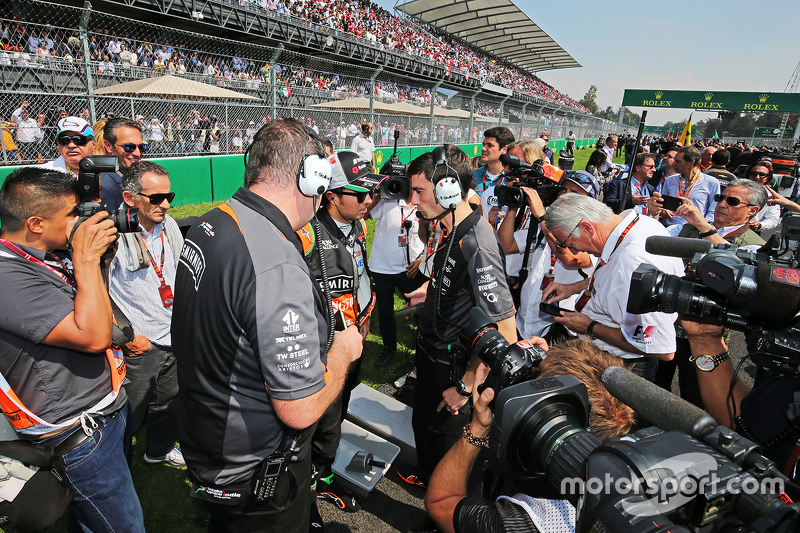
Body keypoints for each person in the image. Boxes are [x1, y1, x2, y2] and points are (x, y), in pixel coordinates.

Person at [172, 118, 362, 533]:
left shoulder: (214, 220)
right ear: (312, 177)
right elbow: (299, 409)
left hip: (210, 438)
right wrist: (344, 352)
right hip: (255, 469)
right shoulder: (274, 262)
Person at [0, 167, 145, 532]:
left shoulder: (43, 253)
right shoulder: (7, 277)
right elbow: (93, 335)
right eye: (72, 215)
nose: (82, 222)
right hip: (78, 435)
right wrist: (84, 259)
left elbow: (94, 302)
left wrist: (96, 259)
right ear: (35, 223)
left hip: (101, 413)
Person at [425, 339, 638, 533]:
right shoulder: (642, 475)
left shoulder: (526, 522)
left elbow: (440, 502)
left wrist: (478, 427)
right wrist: (551, 363)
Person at [403, 146, 517, 489]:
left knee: (449, 456)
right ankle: (427, 483)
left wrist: (465, 386)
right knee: (424, 430)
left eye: (419, 191)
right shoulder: (451, 226)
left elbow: (505, 333)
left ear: (447, 189)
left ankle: (443, 514)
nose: (412, 200)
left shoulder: (478, 242)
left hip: (453, 372)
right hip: (432, 354)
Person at [297, 151, 378, 514]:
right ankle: (314, 484)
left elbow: (356, 278)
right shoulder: (308, 233)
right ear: (331, 195)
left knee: (339, 409)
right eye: (360, 194)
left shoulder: (356, 225)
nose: (368, 201)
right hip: (324, 347)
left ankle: (320, 471)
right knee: (323, 421)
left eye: (371, 193)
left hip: (354, 337)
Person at [542, 194, 684, 381]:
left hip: (623, 367)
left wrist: (589, 326)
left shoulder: (631, 263)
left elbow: (659, 348)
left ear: (587, 227)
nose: (574, 252)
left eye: (570, 244)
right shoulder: (634, 224)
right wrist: (574, 287)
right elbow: (613, 278)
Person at [654, 179, 767, 407]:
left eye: (732, 201)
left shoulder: (756, 246)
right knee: (653, 388)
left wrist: (706, 228)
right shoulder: (686, 227)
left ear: (752, 211)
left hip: (703, 333)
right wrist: (653, 215)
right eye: (720, 198)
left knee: (696, 398)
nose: (722, 204)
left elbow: (739, 269)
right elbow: (653, 244)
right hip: (665, 320)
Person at [108, 161, 184, 466]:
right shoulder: (112, 234)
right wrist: (125, 338)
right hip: (139, 344)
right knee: (131, 412)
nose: (165, 204)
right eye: (156, 198)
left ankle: (159, 450)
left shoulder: (171, 226)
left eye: (169, 196)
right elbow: (94, 292)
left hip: (175, 337)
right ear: (130, 198)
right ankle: (118, 464)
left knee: (169, 404)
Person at [498, 169, 598, 342]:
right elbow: (506, 245)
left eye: (574, 192)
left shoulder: (592, 232)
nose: (565, 195)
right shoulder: (544, 225)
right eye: (563, 190)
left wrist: (542, 216)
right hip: (524, 320)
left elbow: (571, 258)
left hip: (559, 327)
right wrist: (512, 208)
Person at [369, 169, 425, 369]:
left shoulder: (424, 204)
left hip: (410, 269)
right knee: (385, 312)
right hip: (381, 269)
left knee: (420, 311)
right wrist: (377, 193)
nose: (411, 188)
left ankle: (423, 350)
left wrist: (421, 259)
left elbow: (434, 234)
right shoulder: (389, 199)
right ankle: (389, 348)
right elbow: (367, 214)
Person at [648, 145, 719, 233]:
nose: (674, 164)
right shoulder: (670, 180)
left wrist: (702, 227)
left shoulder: (711, 183)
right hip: (668, 228)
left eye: (678, 161)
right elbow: (662, 204)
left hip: (694, 231)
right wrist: (663, 210)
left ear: (691, 163)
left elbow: (713, 212)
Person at [101, 117, 147, 210]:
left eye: (142, 147)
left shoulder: (130, 175)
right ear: (108, 146)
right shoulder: (105, 185)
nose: (137, 153)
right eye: (129, 147)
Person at [472, 127, 515, 194]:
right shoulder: (472, 175)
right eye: (484, 145)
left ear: (504, 149)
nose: (483, 148)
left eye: (490, 145)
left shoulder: (513, 178)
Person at [744, 160, 781, 232]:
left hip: (752, 232)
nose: (757, 177)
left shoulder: (771, 196)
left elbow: (773, 219)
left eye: (762, 174)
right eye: (754, 174)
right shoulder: (736, 189)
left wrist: (760, 225)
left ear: (767, 178)